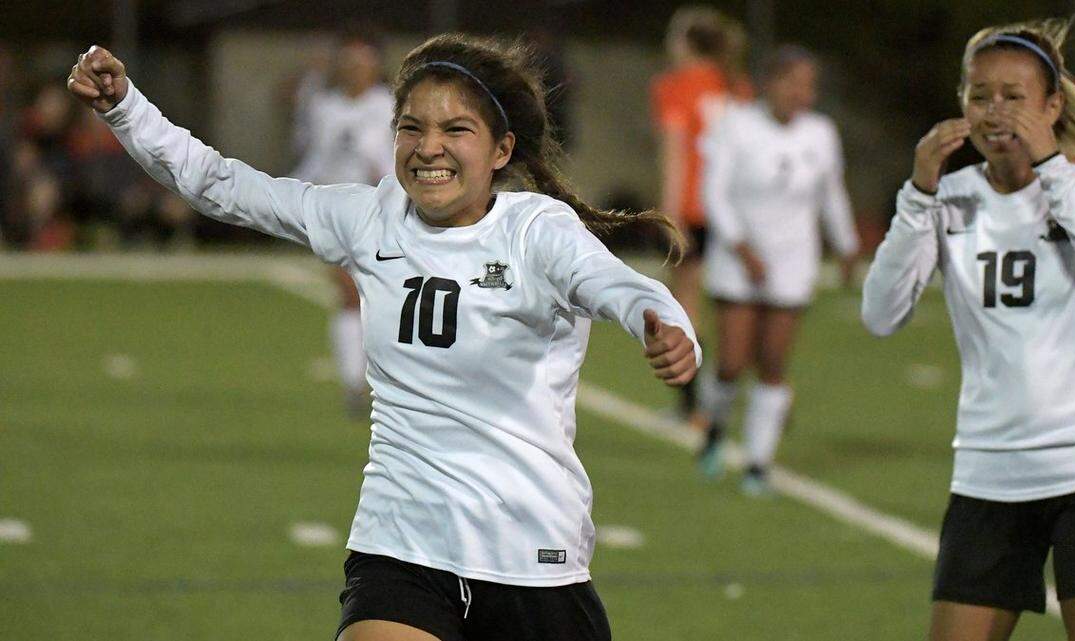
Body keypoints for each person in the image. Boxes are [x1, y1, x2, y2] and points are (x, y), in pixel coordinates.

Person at [69, 33, 699, 641]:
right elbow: (221, 184)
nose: (429, 148)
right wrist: (126, 108)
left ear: (501, 150)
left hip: (530, 553)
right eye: (411, 128)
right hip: (400, 543)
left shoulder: (537, 231)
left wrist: (663, 324)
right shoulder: (370, 217)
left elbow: (616, 285)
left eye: (456, 130)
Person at [861, 18, 1075, 641]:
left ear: (1052, 106)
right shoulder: (948, 198)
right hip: (989, 472)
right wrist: (917, 195)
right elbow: (880, 315)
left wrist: (1052, 170)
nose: (995, 111)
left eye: (1014, 96)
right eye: (979, 95)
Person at [691, 45, 858, 493]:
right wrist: (742, 247)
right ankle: (715, 430)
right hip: (738, 258)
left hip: (792, 260)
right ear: (769, 83)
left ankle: (758, 464)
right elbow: (714, 192)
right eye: (793, 83)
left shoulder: (821, 132)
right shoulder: (735, 125)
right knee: (731, 363)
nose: (802, 93)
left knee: (772, 363)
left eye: (809, 85)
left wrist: (845, 245)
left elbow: (831, 193)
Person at [651, 6, 752, 417]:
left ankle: (691, 407)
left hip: (694, 208)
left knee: (685, 304)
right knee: (736, 306)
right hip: (739, 209)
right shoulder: (738, 86)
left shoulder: (675, 86)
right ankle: (759, 394)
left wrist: (669, 214)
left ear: (687, 43)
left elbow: (676, 154)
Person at [290, 36, 397, 417]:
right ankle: (354, 383)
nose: (355, 69)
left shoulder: (389, 104)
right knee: (349, 292)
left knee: (384, 297)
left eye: (362, 62)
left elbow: (396, 161)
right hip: (336, 212)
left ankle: (385, 378)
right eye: (349, 61)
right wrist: (289, 194)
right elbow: (316, 159)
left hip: (382, 210)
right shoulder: (324, 107)